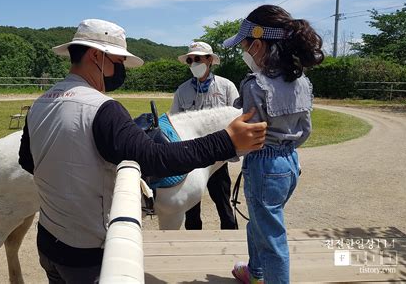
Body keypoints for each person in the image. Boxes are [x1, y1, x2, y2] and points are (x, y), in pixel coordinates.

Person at [18, 18, 267, 284]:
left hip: (48, 243)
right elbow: (154, 159)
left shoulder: (41, 103)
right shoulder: (103, 109)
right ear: (96, 56)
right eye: (118, 61)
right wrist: (225, 141)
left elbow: (27, 160)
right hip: (88, 253)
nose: (122, 69)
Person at [223, 5, 324, 284]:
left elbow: (248, 135)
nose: (243, 51)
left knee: (271, 237)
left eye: (244, 45)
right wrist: (286, 148)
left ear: (257, 44)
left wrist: (231, 154)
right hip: (290, 163)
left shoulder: (255, 84)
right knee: (261, 223)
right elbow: (306, 129)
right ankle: (254, 273)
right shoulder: (302, 81)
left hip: (264, 165)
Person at [171, 41, 239, 230]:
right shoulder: (182, 90)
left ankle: (231, 241)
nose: (193, 63)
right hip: (191, 157)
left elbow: (237, 118)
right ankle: (194, 245)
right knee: (191, 210)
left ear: (210, 60)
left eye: (198, 59)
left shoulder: (226, 87)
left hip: (218, 158)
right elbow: (175, 123)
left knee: (224, 205)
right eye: (190, 60)